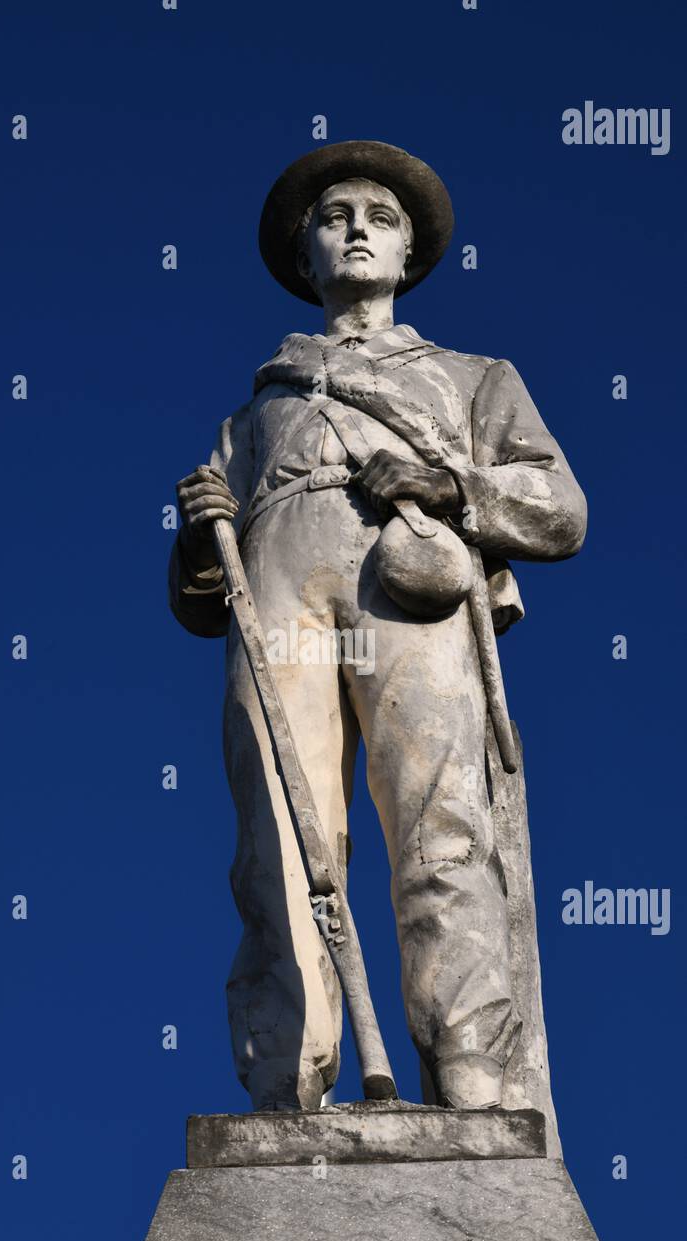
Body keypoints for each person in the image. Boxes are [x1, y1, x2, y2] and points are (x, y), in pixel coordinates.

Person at [168, 141, 587, 1112]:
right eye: (334, 215)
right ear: (304, 254)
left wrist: (450, 486)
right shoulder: (253, 412)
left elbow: (557, 508)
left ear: (407, 258)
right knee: (279, 830)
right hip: (276, 588)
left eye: (380, 217)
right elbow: (196, 602)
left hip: (408, 586)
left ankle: (469, 1072)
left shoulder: (470, 377)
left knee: (439, 827)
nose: (356, 227)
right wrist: (197, 537)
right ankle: (289, 1068)